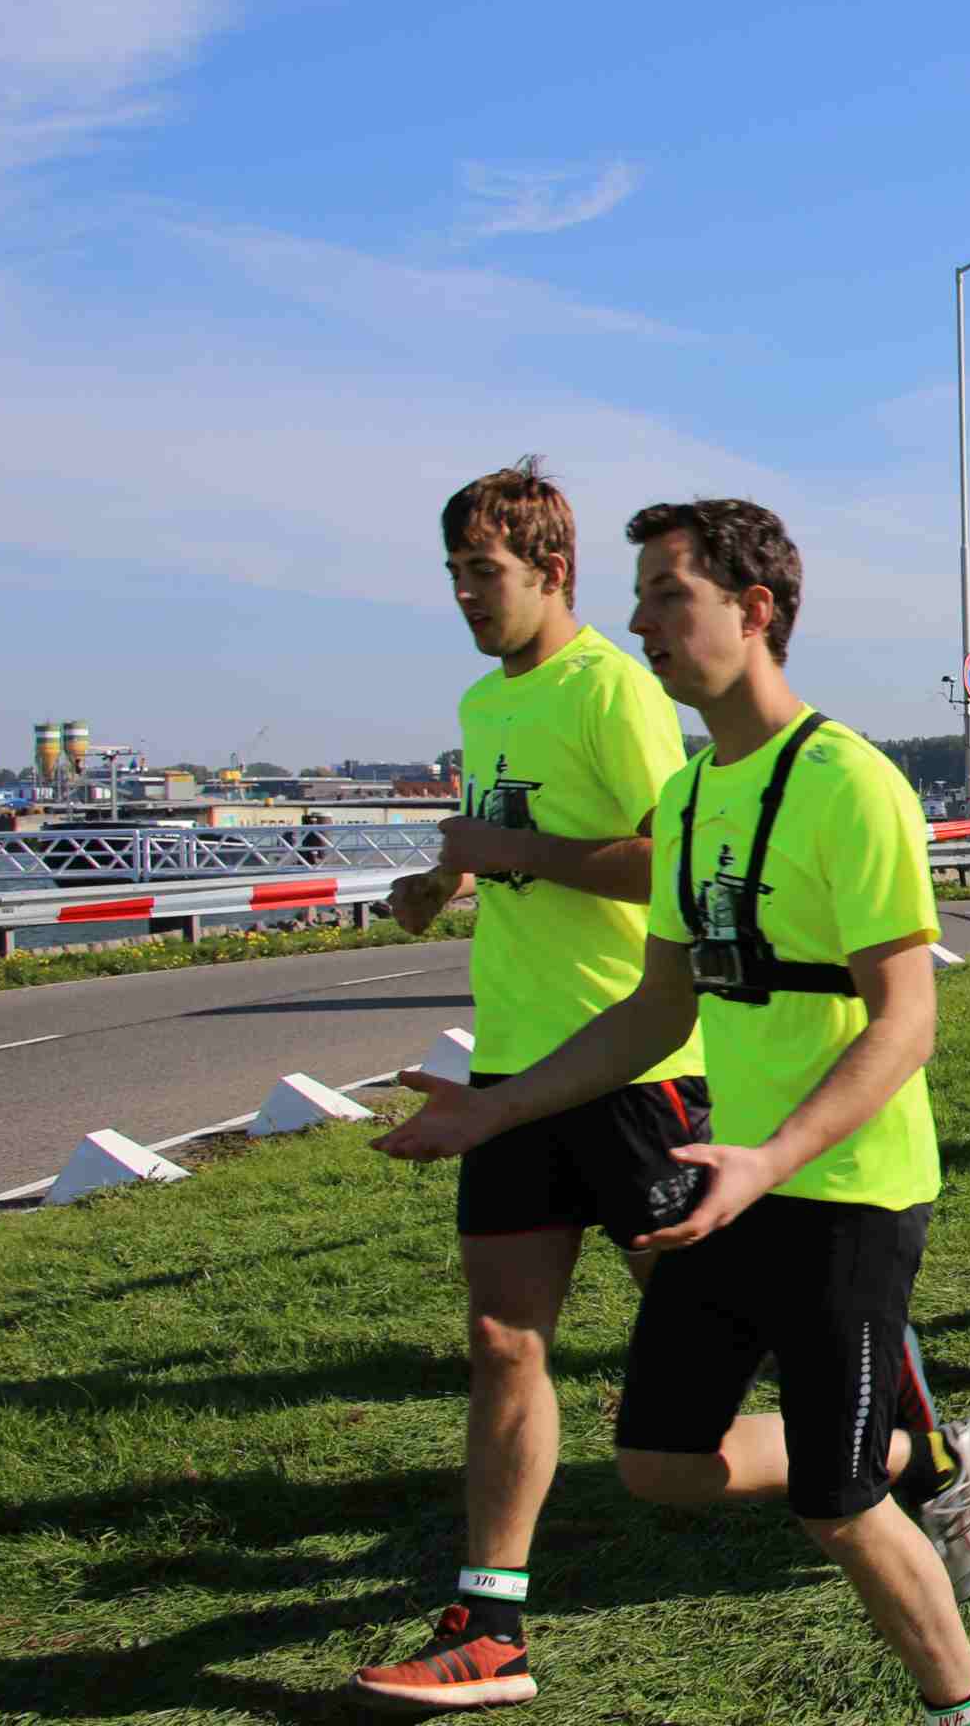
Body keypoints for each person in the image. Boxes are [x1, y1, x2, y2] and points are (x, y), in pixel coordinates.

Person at [374, 498, 970, 1726]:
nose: (641, 624)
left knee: (834, 1506)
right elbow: (654, 1010)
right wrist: (496, 1113)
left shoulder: (850, 782)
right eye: (640, 600)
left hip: (848, 1187)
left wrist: (771, 1157)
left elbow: (906, 1023)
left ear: (754, 610)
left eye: (669, 596)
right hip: (736, 1180)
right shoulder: (690, 801)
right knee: (659, 1464)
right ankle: (903, 1453)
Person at [351, 460, 714, 1711]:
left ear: (552, 570)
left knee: (723, 1320)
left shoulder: (613, 687)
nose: (465, 593)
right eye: (453, 572)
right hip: (509, 1067)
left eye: (484, 571)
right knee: (504, 1340)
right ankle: (491, 1622)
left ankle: (913, 1453)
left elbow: (674, 861)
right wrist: (440, 884)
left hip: (634, 1062)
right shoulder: (482, 700)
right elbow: (495, 840)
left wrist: (512, 850)